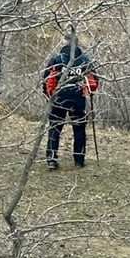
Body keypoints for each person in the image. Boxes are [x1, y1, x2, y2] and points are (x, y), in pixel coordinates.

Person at [41, 31, 99, 170]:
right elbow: (94, 82)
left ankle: (51, 160)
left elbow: (47, 78)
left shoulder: (57, 59)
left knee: (55, 128)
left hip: (58, 98)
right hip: (78, 99)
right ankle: (79, 160)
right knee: (79, 130)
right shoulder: (85, 60)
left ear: (65, 43)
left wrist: (48, 95)